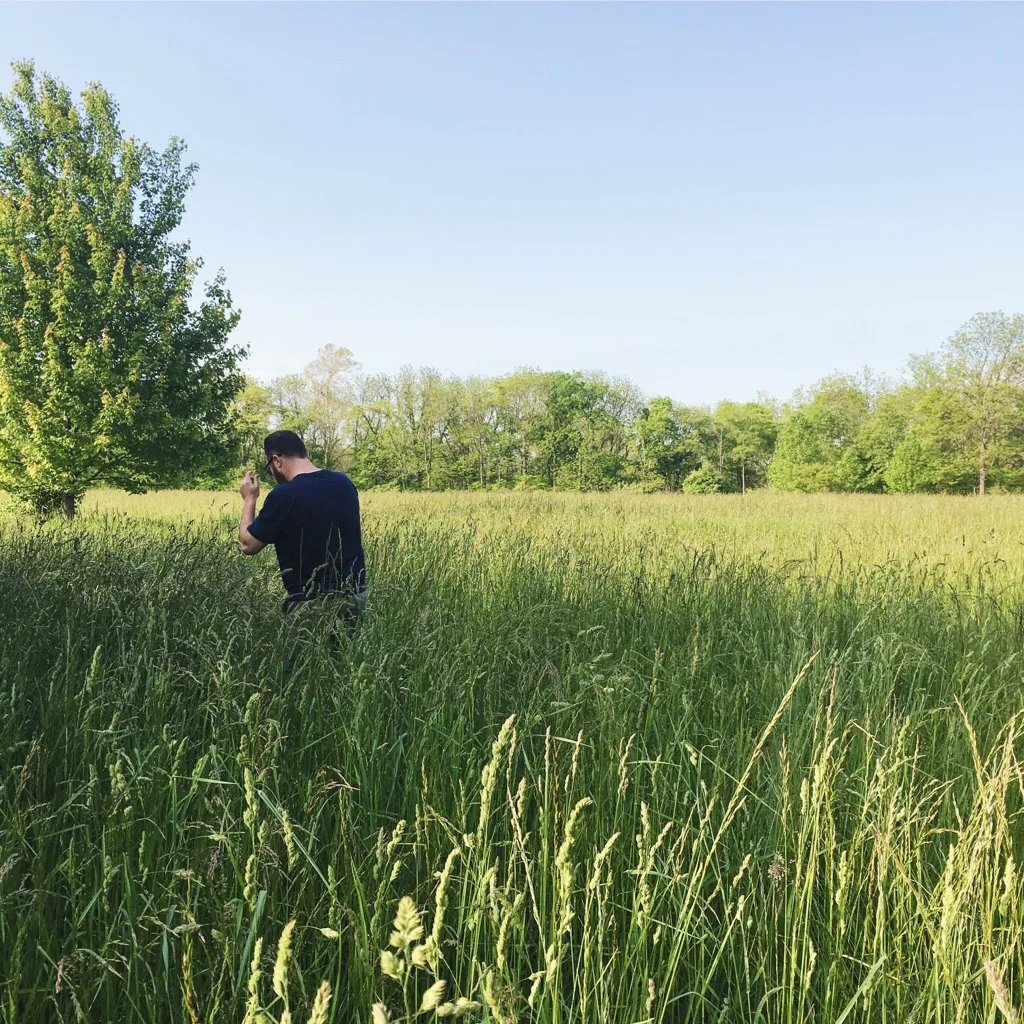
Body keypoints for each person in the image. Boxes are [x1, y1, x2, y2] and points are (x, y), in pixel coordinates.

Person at [238, 430, 367, 619]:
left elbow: (248, 545)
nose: (272, 474)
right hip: (355, 595)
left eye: (269, 468)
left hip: (309, 602)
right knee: (345, 650)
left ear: (277, 461)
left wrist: (250, 499)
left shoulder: (284, 495)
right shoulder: (344, 482)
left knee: (306, 650)